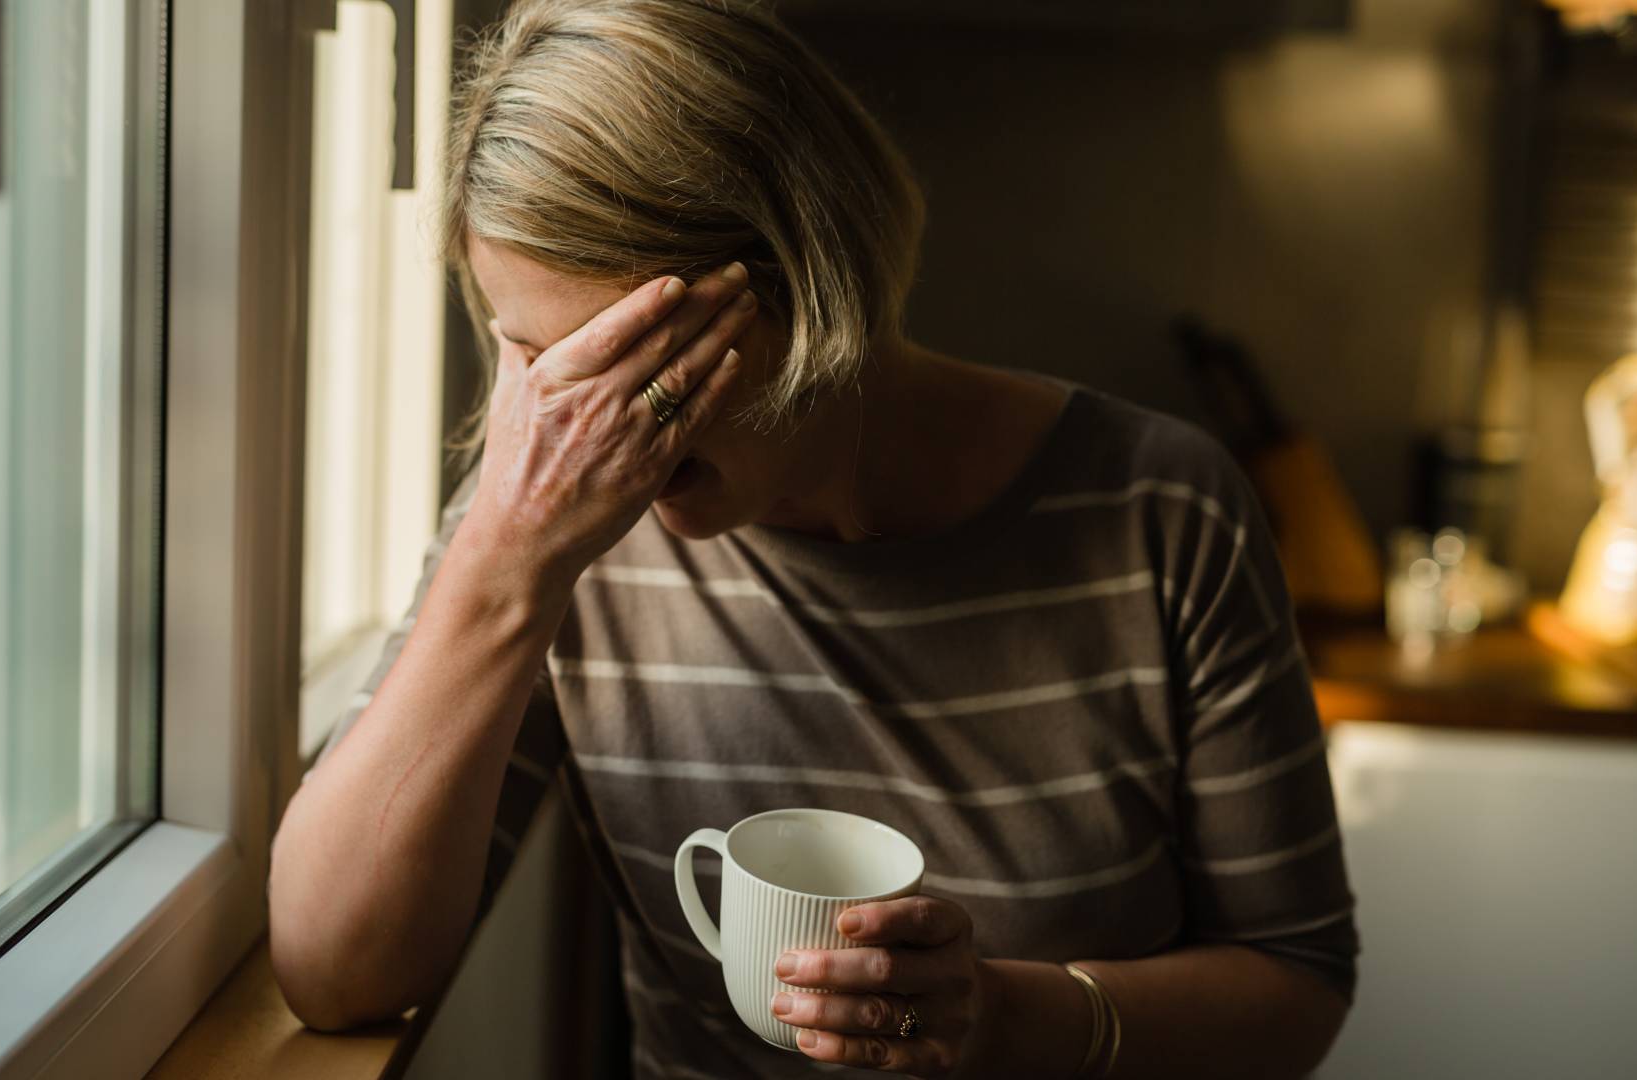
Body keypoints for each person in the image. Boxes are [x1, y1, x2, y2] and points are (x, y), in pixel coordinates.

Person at [269, 0, 1357, 1075]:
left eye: (641, 364)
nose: (596, 432)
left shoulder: (1165, 514)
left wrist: (1004, 1021)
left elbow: (1295, 983)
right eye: (540, 363)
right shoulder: (545, 512)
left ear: (811, 272)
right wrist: (504, 566)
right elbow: (335, 969)